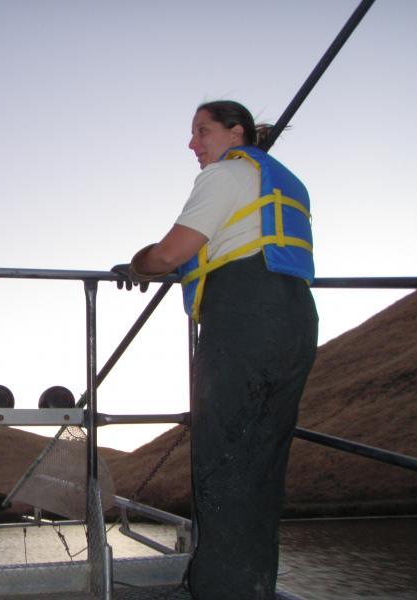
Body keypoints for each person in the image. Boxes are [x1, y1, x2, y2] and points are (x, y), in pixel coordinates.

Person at [113, 100, 318, 599]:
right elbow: (237, 241)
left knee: (224, 462)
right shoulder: (278, 178)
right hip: (293, 318)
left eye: (202, 131)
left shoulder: (225, 175)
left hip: (243, 319)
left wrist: (140, 265)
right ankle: (251, 588)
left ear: (235, 132)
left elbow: (170, 252)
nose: (193, 144)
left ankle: (220, 591)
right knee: (262, 464)